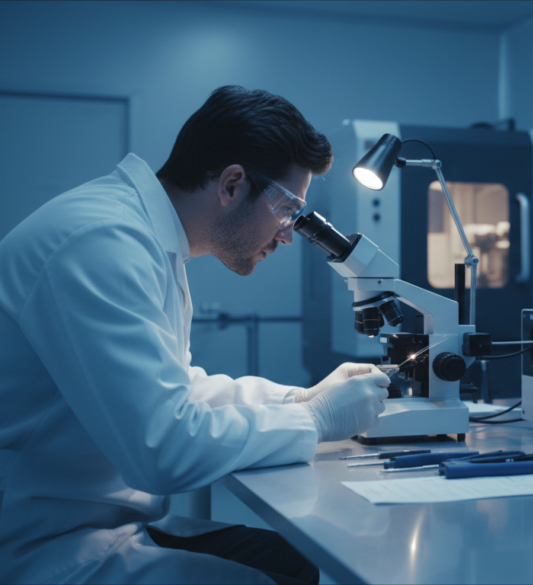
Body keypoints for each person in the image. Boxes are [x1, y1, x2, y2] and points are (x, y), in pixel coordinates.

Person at [0, 86, 391, 584]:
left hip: (99, 520)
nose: (290, 233)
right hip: (42, 546)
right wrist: (313, 419)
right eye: (288, 209)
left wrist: (300, 396)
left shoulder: (144, 237)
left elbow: (177, 388)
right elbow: (163, 450)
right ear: (232, 184)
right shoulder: (100, 242)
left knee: (290, 559)